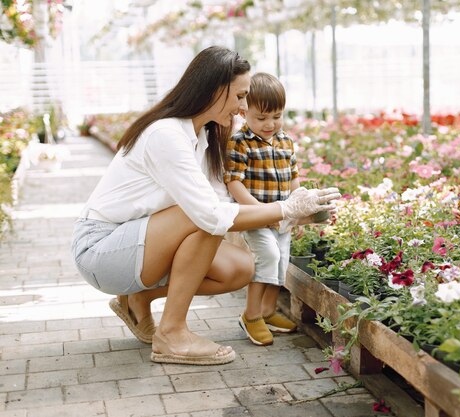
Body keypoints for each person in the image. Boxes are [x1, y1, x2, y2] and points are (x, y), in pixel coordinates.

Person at [70, 46, 340, 366]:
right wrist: (287, 208)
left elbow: (224, 207)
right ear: (214, 90)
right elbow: (212, 216)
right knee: (204, 216)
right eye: (240, 96)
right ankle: (171, 334)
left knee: (239, 268)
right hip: (101, 251)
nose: (243, 108)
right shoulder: (165, 134)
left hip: (139, 245)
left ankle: (138, 300)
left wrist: (298, 217)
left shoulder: (206, 137)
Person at [224, 72, 302, 346]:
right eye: (261, 118)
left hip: (283, 218)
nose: (270, 124)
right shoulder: (240, 142)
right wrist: (259, 211)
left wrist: (298, 212)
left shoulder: (286, 142)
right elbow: (234, 183)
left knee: (281, 259)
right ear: (245, 112)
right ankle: (252, 315)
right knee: (266, 256)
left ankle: (268, 310)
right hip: (255, 216)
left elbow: (294, 179)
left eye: (277, 116)